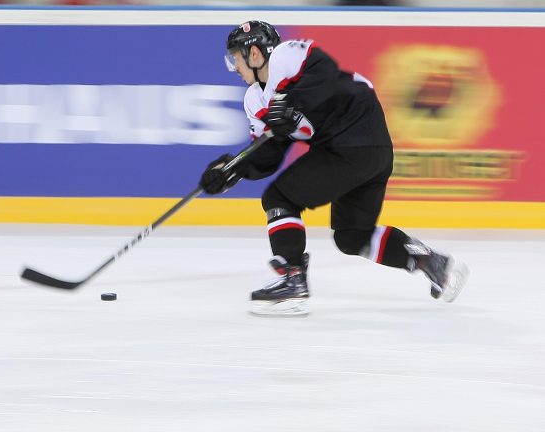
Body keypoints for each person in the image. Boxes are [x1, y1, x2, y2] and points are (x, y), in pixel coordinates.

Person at [199, 21, 469, 317]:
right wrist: (232, 170)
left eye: (235, 57)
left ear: (254, 53)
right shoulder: (255, 100)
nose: (233, 66)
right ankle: (431, 263)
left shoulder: (284, 56)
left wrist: (292, 104)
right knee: (352, 236)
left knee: (279, 198)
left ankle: (292, 279)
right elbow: (269, 154)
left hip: (353, 139)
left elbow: (324, 71)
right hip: (366, 151)